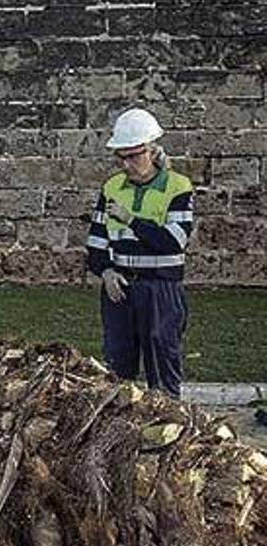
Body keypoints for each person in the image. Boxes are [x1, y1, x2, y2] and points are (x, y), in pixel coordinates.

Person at [85, 108, 195, 397]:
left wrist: (130, 219)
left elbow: (174, 241)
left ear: (153, 150)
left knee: (162, 363)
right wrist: (106, 272)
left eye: (134, 155)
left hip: (160, 288)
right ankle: (119, 434)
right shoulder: (111, 188)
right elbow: (96, 242)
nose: (127, 164)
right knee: (117, 367)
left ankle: (168, 428)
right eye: (121, 157)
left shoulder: (177, 187)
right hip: (119, 290)